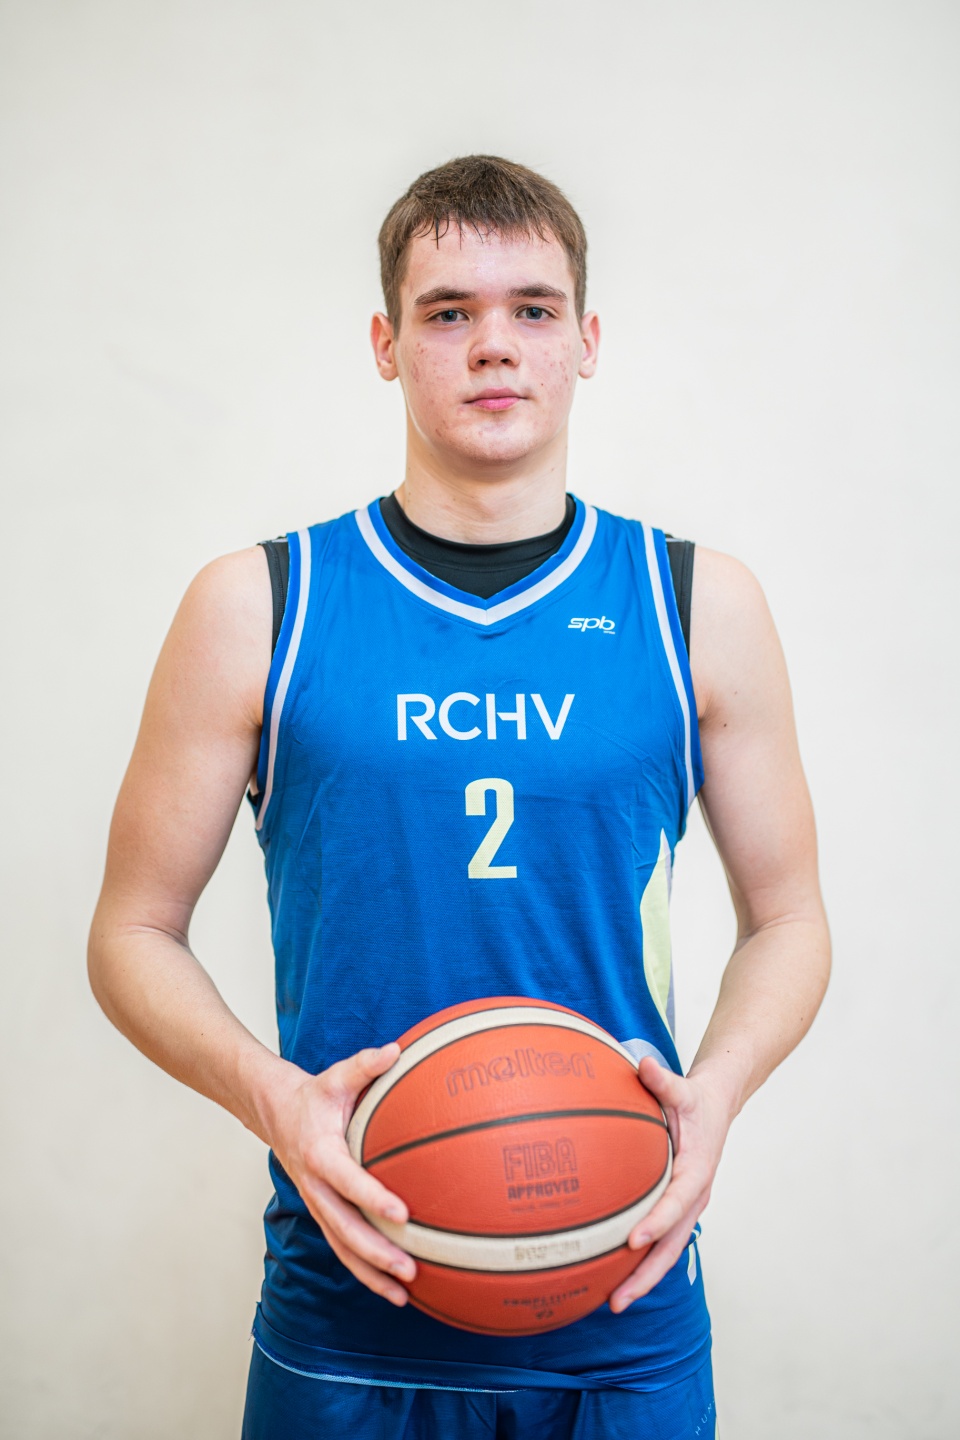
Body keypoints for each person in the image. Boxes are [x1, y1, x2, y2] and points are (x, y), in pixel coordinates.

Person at [89, 154, 830, 1439]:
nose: (495, 345)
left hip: (624, 1290)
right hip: (349, 1301)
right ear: (387, 344)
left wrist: (716, 1093)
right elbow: (129, 932)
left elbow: (793, 920)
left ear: (586, 341)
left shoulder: (695, 606)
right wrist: (273, 1097)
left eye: (534, 308)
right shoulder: (260, 606)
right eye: (449, 312)